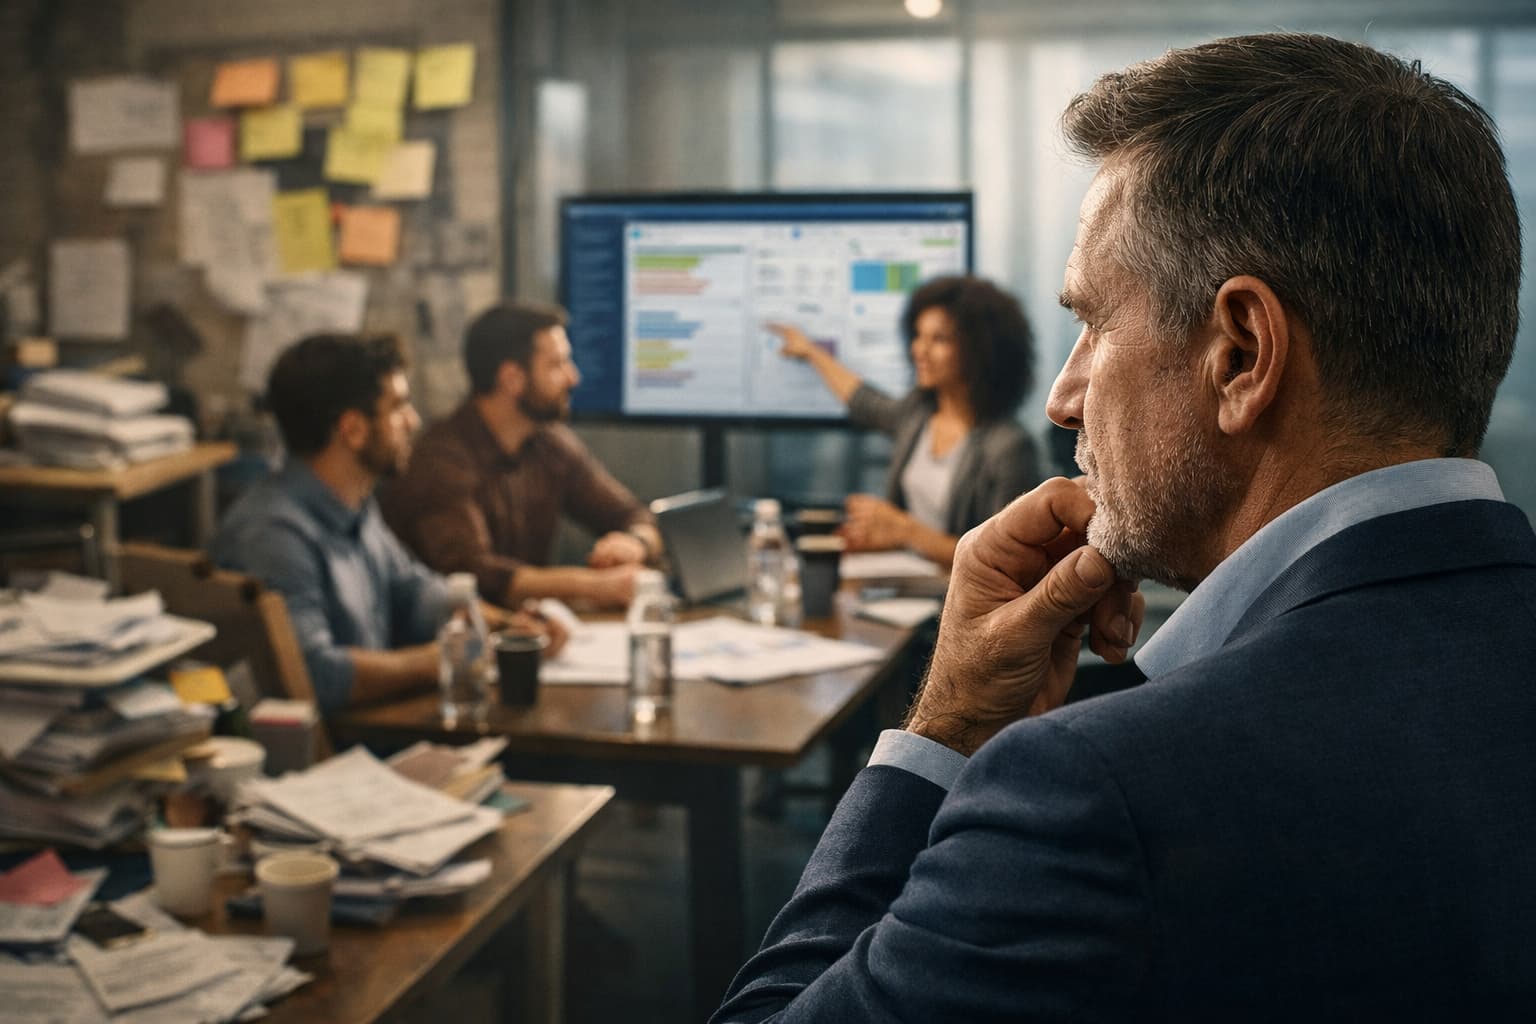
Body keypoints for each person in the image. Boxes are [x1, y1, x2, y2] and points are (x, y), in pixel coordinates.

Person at [715, 32, 1534, 1021]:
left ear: (1240, 355)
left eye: (1094, 322)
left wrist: (950, 728)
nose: (1063, 397)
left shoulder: (1095, 794)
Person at [212, 333, 564, 715]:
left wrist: (507, 626)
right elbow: (315, 674)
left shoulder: (354, 504)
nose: (413, 421)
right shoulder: (273, 534)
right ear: (353, 430)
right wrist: (446, 658)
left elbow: (413, 592)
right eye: (398, 406)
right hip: (336, 756)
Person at [379, 301, 661, 609]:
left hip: (530, 635)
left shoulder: (549, 443)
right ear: (512, 378)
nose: (573, 378)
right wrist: (595, 585)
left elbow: (633, 514)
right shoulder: (440, 459)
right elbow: (474, 574)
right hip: (459, 643)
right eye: (557, 365)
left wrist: (636, 543)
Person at [769, 275, 1040, 568]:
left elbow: (1004, 558)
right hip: (904, 585)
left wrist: (903, 531)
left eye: (939, 339)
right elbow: (862, 400)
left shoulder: (1009, 447)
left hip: (961, 600)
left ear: (981, 349)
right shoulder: (917, 413)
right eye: (918, 335)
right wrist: (811, 352)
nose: (919, 350)